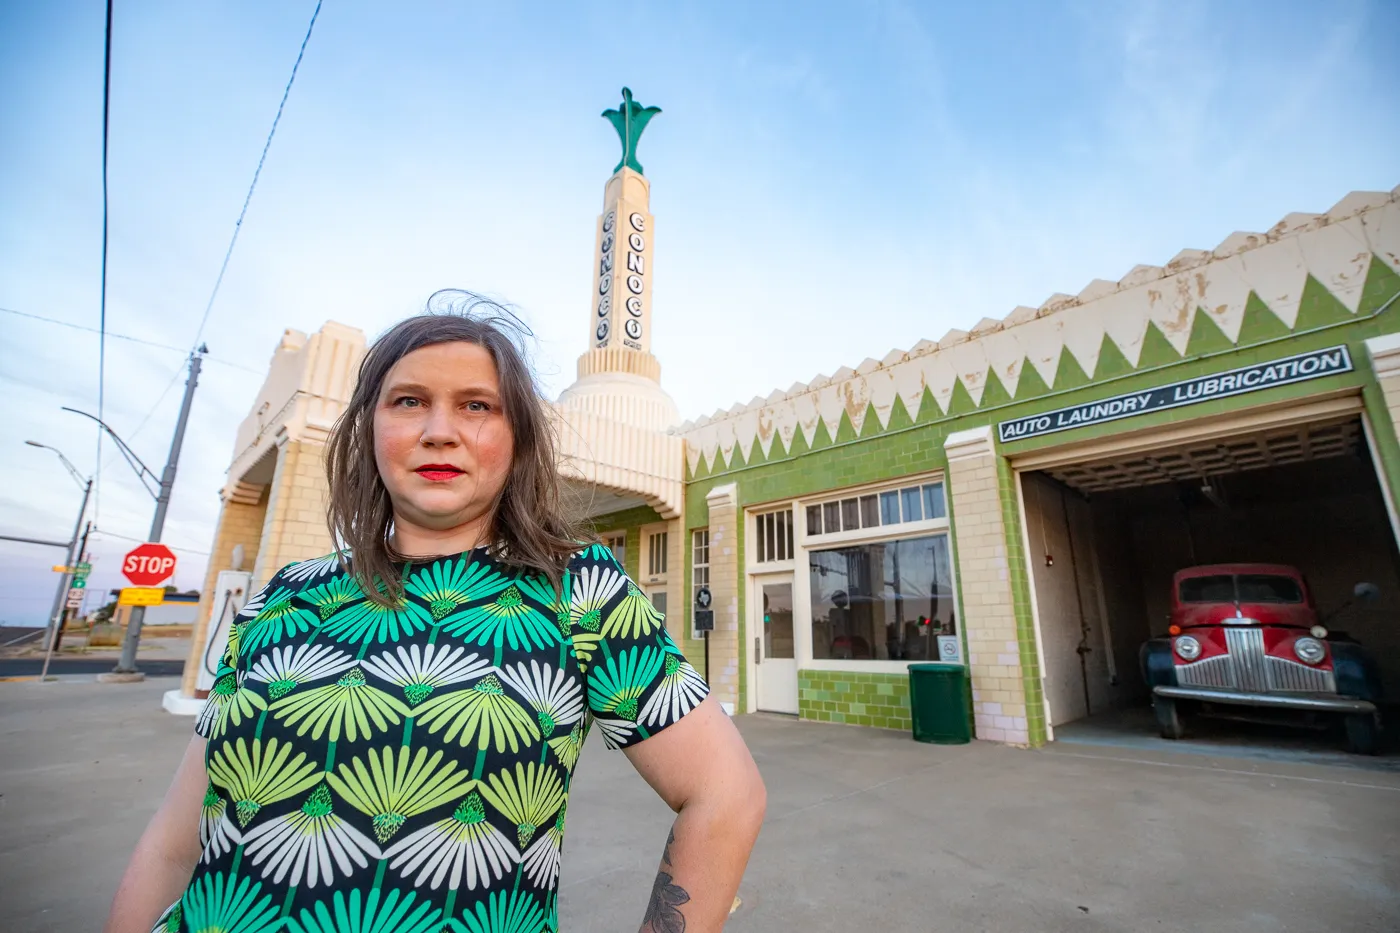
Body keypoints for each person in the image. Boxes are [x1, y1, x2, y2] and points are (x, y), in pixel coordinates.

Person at [104, 293, 766, 933]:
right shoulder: (286, 594)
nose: (439, 430)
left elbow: (726, 794)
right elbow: (174, 838)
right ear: (371, 427)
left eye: (477, 405)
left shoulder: (577, 590)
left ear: (517, 440)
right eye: (409, 401)